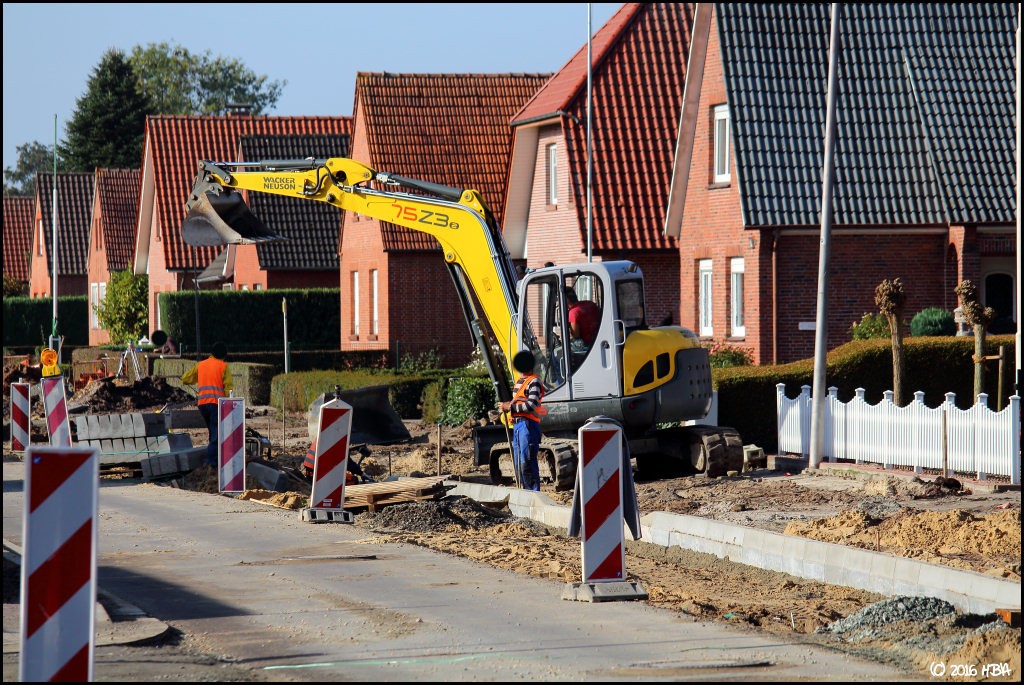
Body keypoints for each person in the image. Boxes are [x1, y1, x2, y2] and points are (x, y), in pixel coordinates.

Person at [496, 350, 546, 491]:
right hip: (518, 426)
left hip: (528, 426)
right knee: (519, 463)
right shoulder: (520, 381)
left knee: (527, 463)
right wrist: (507, 406)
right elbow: (518, 401)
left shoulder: (534, 382)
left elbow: (531, 405)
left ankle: (533, 494)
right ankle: (524, 492)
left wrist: (510, 407)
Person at [180, 342, 232, 467]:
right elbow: (228, 388)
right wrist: (229, 405)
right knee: (217, 434)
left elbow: (185, 378)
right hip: (216, 404)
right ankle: (210, 462)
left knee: (213, 432)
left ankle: (215, 459)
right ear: (224, 355)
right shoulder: (223, 366)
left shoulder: (201, 365)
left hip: (202, 404)